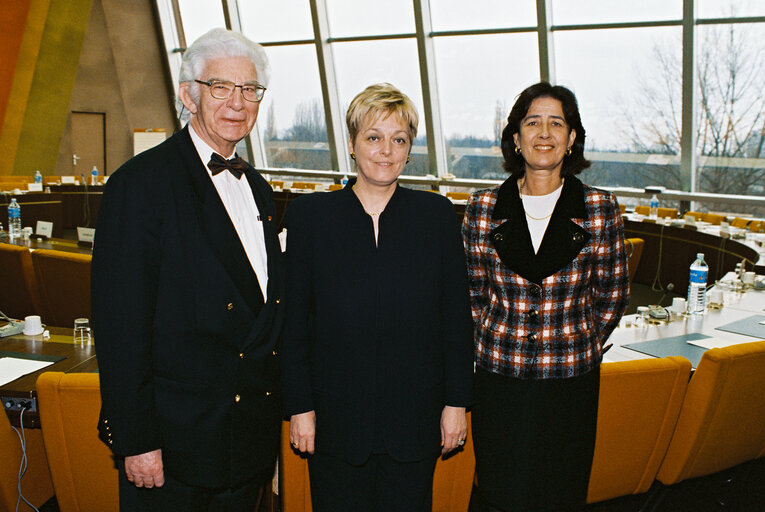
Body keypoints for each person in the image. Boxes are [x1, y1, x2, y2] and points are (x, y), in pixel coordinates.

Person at [92, 28, 283, 511]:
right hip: (172, 447)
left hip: (243, 445)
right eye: (221, 87)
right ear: (188, 95)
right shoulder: (140, 185)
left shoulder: (258, 189)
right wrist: (136, 440)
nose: (237, 103)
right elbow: (120, 327)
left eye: (249, 90)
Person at [282, 83, 473, 511]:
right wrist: (300, 407)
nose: (386, 150)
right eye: (373, 137)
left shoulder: (436, 216)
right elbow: (295, 322)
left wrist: (456, 403)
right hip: (334, 423)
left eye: (398, 139)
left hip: (415, 421)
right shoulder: (311, 218)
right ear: (352, 144)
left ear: (409, 150)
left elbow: (456, 320)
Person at [462, 82, 629, 512]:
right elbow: (472, 294)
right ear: (515, 138)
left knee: (561, 494)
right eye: (532, 122)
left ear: (572, 138)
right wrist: (499, 335)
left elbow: (612, 295)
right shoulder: (482, 208)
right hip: (500, 380)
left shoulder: (599, 208)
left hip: (570, 384)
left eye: (557, 123)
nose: (544, 133)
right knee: (501, 493)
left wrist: (574, 338)